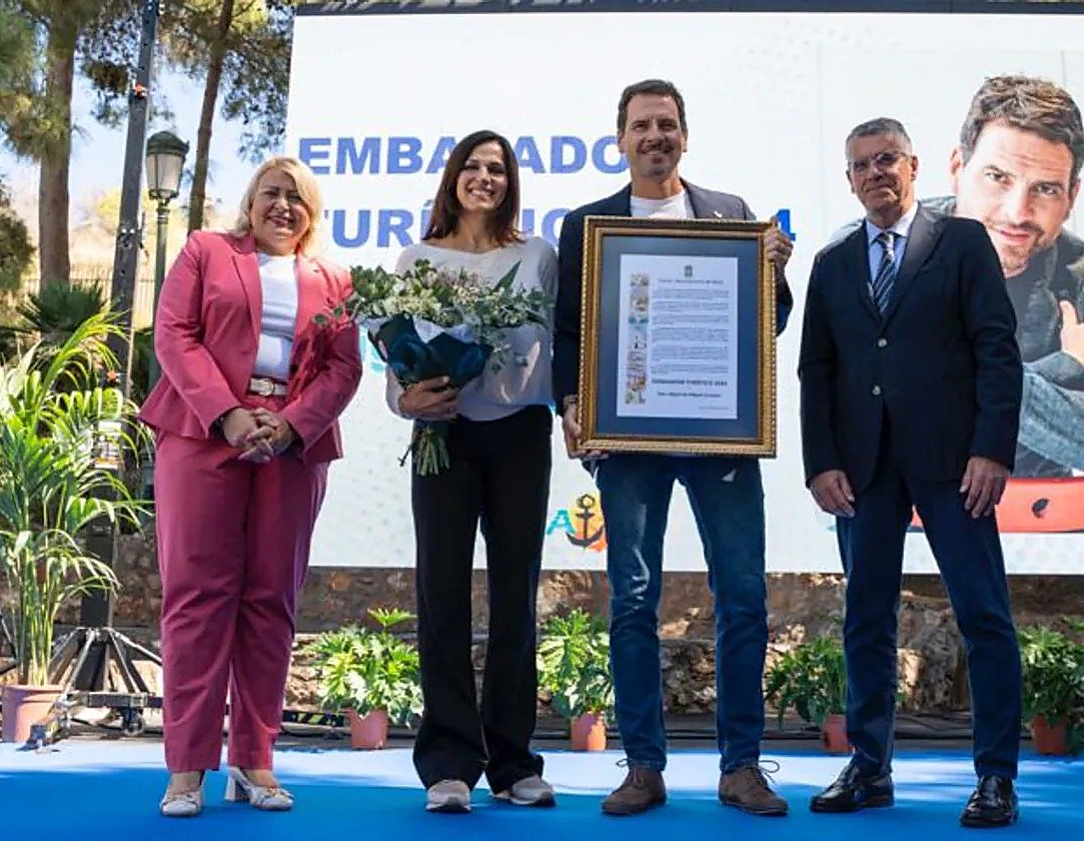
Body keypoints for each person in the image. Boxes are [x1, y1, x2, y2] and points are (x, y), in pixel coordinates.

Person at [552, 79, 795, 818]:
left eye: (666, 124)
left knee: (743, 597)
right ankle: (644, 766)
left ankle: (743, 765)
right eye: (641, 125)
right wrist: (569, 400)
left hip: (720, 435)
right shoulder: (589, 224)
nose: (654, 135)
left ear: (684, 135)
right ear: (620, 139)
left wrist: (776, 273)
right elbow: (568, 329)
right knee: (631, 599)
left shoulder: (731, 214)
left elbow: (767, 323)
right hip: (627, 441)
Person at [798, 118, 1023, 829]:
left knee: (984, 614)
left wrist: (993, 448)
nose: (875, 173)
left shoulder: (960, 243)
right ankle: (871, 767)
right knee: (865, 618)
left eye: (886, 158)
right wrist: (821, 461)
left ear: (915, 165)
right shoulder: (832, 264)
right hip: (861, 469)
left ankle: (995, 778)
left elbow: (997, 348)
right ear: (849, 179)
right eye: (861, 165)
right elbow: (816, 372)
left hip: (956, 464)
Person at [139, 156, 363, 817]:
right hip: (202, 435)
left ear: (311, 212)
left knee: (272, 600)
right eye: (272, 194)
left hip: (291, 450)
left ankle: (254, 761)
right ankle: (186, 768)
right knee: (197, 600)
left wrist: (290, 425)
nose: (283, 207)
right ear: (251, 200)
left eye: (297, 198)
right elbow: (175, 335)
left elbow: (344, 367)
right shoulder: (207, 251)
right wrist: (228, 413)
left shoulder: (333, 277)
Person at [384, 129, 559, 814]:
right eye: (473, 166)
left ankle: (514, 762)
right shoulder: (417, 258)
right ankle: (450, 762)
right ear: (453, 177)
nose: (484, 177)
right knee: (442, 593)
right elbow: (395, 358)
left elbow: (568, 339)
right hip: (444, 435)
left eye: (497, 169)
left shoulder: (537, 254)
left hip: (520, 434)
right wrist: (408, 399)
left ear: (510, 183)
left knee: (516, 596)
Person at [943, 76, 1084, 487]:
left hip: (1049, 526)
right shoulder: (879, 253)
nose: (1018, 211)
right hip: (906, 523)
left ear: (1072, 197)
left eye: (1046, 189)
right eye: (997, 177)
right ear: (957, 170)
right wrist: (1070, 367)